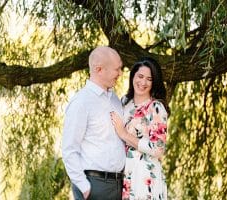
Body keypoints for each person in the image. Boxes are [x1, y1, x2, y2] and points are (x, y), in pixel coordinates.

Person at [62, 46, 126, 200]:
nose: (120, 73)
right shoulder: (81, 102)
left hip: (118, 185)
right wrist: (84, 187)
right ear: (99, 70)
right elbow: (69, 149)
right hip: (94, 186)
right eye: (116, 69)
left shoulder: (115, 100)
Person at [110, 57, 169, 200]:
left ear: (154, 82)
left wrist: (125, 134)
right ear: (133, 77)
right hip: (123, 176)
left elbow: (158, 148)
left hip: (145, 176)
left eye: (149, 79)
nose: (143, 82)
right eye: (140, 76)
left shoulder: (156, 108)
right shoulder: (124, 103)